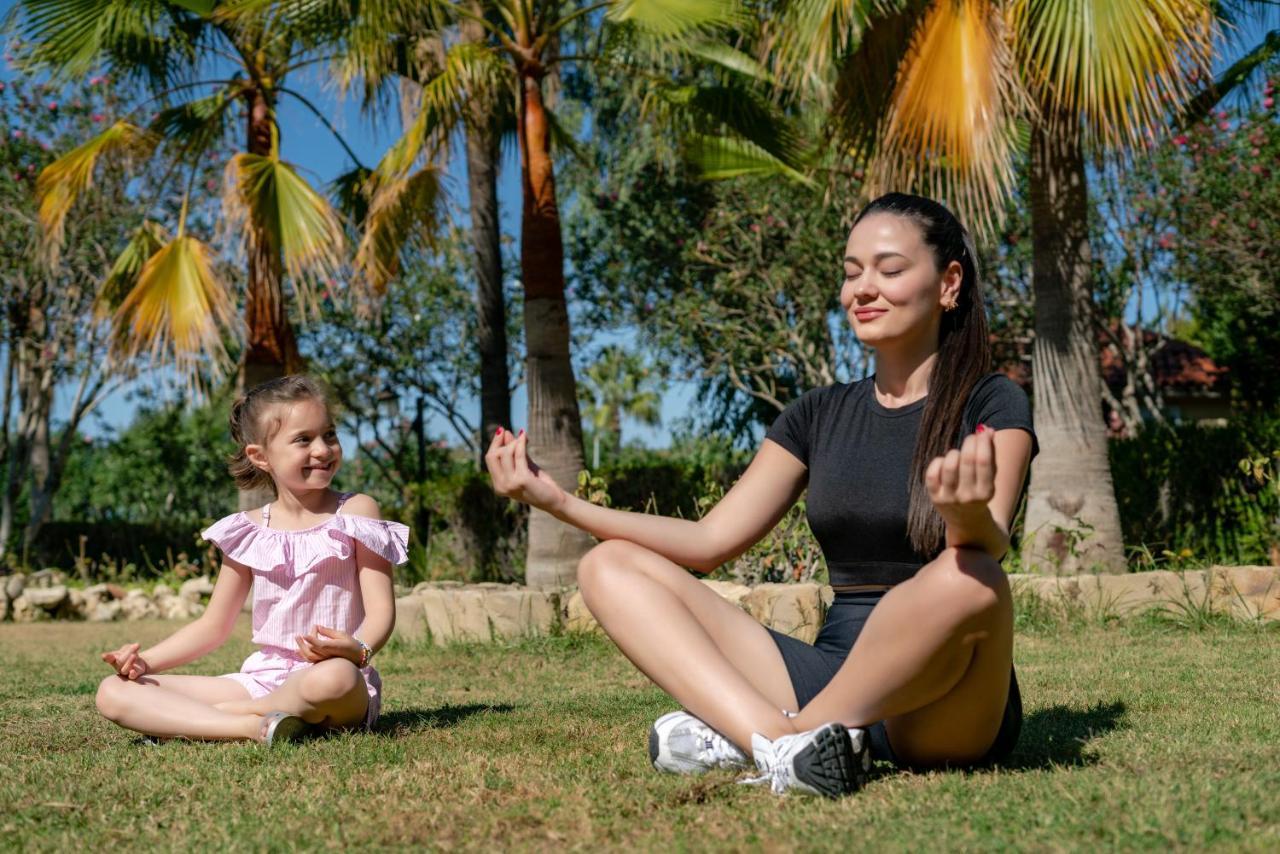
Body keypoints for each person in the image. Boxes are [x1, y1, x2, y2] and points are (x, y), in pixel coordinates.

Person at [486, 193, 1036, 796]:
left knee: (969, 574)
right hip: (829, 676)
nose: (863, 289)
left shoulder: (990, 401)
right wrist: (558, 502)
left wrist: (963, 517)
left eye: (890, 269)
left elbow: (991, 547)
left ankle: (776, 740)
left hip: (941, 700)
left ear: (949, 282)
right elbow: (708, 542)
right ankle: (785, 744)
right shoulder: (817, 414)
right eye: (852, 273)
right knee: (607, 566)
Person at [96, 376, 409, 745]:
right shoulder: (248, 530)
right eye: (303, 439)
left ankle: (218, 719)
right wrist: (145, 663)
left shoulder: (356, 511)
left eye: (330, 434)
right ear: (260, 456)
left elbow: (381, 613)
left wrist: (358, 650)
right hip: (260, 680)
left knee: (333, 679)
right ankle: (254, 727)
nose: (323, 449)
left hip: (334, 679)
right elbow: (213, 626)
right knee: (112, 692)